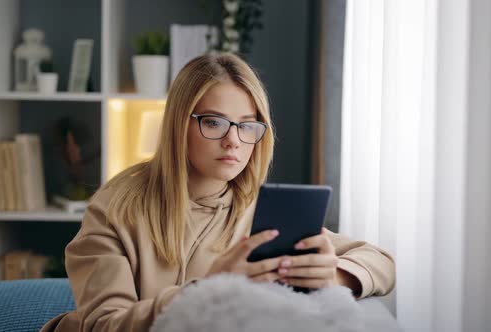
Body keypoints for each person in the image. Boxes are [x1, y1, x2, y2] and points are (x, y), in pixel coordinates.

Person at [41, 53, 395, 332]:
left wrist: (331, 274)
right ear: (181, 124)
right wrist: (210, 289)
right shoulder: (116, 208)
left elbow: (381, 262)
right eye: (213, 122)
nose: (233, 141)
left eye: (247, 125)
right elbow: (105, 325)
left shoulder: (261, 210)